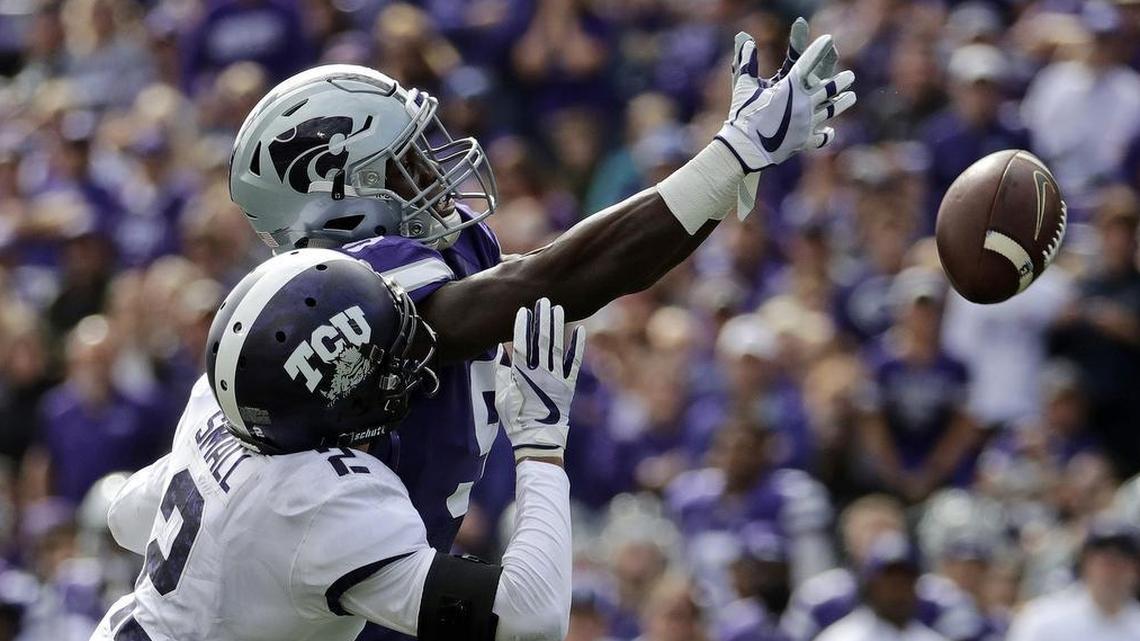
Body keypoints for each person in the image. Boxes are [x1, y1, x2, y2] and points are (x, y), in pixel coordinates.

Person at [226, 20, 855, 559]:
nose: (434, 172)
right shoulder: (340, 298)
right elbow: (561, 281)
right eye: (403, 163)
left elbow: (601, 269)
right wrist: (731, 155)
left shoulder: (425, 264)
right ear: (336, 197)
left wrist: (726, 176)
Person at [89, 249, 585, 641]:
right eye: (387, 353)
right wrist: (541, 446)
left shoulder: (217, 409)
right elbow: (528, 615)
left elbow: (126, 517)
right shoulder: (321, 502)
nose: (401, 365)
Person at [1006, 518, 1140, 641]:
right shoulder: (1043, 619)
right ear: (1085, 564)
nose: (1113, 572)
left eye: (1123, 563)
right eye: (1106, 563)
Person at [814, 534, 947, 641]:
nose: (898, 592)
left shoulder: (931, 637)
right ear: (870, 586)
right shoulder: (842, 637)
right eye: (890, 583)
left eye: (905, 582)